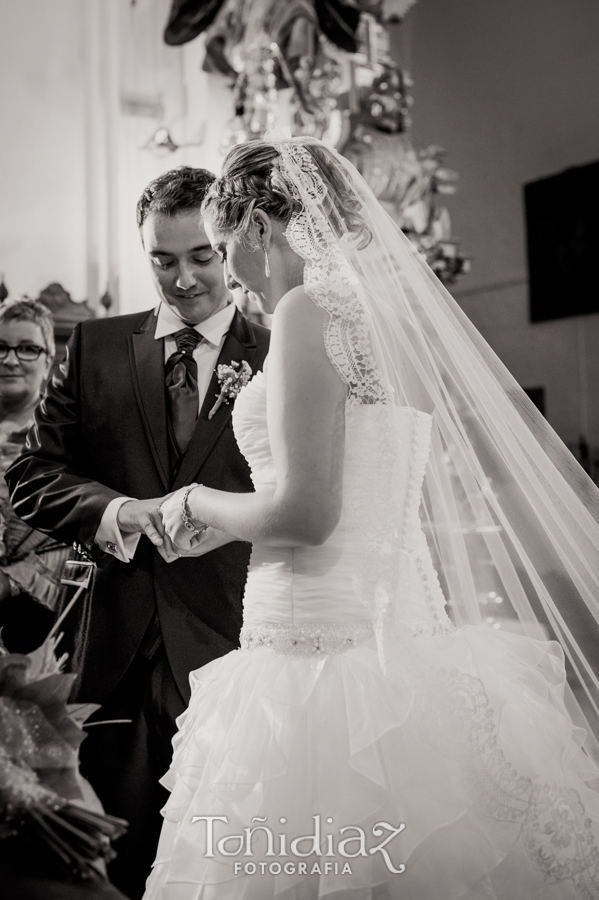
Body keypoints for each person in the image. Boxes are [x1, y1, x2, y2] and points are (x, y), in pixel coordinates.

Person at [144, 135, 599, 899]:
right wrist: (229, 526)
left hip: (314, 653)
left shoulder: (303, 313)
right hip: (404, 642)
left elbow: (309, 513)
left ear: (256, 227)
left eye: (223, 246)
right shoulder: (383, 322)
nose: (230, 277)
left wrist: (192, 502)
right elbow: (360, 489)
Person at [5, 167, 270, 900]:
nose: (182, 279)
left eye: (200, 257)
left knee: (224, 863)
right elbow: (32, 477)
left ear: (230, 246)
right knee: (113, 861)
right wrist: (121, 513)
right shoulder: (94, 346)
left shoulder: (280, 354)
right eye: (162, 258)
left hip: (233, 648)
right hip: (110, 648)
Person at [0, 298, 71, 652]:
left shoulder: (66, 438)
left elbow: (81, 542)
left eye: (27, 349)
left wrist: (10, 581)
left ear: (48, 362)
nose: (10, 360)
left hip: (33, 617)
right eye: (1, 347)